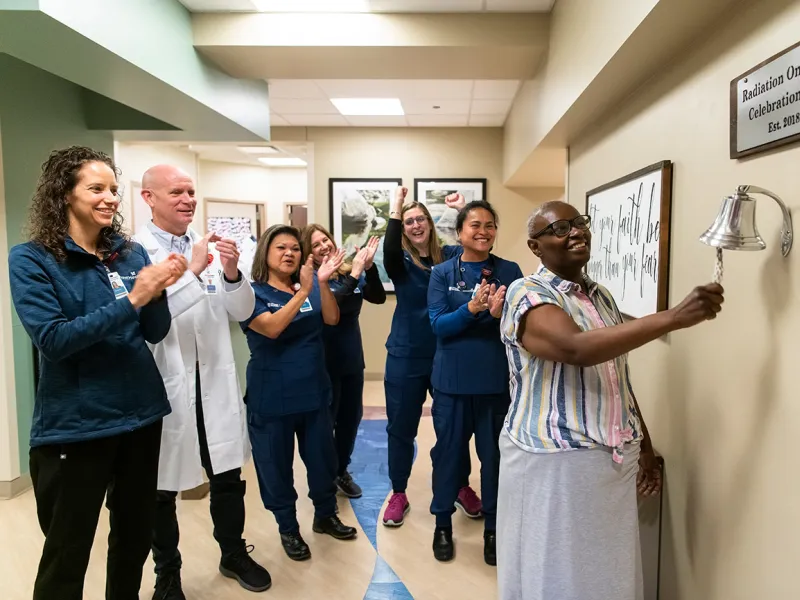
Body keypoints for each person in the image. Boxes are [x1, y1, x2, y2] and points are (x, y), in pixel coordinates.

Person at [497, 201, 724, 600]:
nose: (576, 232)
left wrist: (646, 448)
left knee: (605, 574)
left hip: (613, 457)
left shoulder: (598, 295)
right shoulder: (527, 292)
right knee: (557, 574)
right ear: (536, 247)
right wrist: (674, 317)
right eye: (560, 228)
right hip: (557, 458)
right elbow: (575, 349)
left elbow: (614, 375)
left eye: (580, 223)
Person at [7, 146, 187, 600]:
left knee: (132, 544)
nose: (109, 198)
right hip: (77, 428)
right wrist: (132, 299)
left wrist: (157, 292)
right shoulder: (32, 260)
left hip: (141, 418)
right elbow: (55, 340)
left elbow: (154, 331)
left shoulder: (129, 254)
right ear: (64, 195)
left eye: (113, 188)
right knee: (67, 555)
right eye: (96, 188)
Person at [133, 165, 270, 599]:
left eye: (192, 191)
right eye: (177, 191)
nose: (188, 199)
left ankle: (232, 554)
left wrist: (231, 273)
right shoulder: (133, 253)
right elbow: (149, 317)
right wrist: (192, 271)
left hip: (213, 379)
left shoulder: (207, 246)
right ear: (149, 197)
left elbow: (242, 310)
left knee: (227, 476)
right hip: (166, 383)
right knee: (162, 488)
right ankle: (167, 575)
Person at [241, 225, 359, 562]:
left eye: (294, 248)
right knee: (276, 467)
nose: (289, 253)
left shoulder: (306, 286)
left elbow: (332, 319)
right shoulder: (252, 293)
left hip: (314, 391)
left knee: (323, 461)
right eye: (281, 247)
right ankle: (288, 528)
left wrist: (320, 284)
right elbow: (273, 328)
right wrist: (304, 291)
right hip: (272, 396)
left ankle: (325, 515)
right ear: (265, 252)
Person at [427, 200, 523, 565]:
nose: (483, 231)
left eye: (490, 225)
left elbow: (521, 325)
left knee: (494, 459)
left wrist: (500, 315)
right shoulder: (442, 273)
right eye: (475, 225)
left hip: (495, 384)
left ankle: (494, 529)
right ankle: (442, 525)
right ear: (460, 232)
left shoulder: (510, 271)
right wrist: (471, 310)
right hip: (451, 385)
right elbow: (438, 326)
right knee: (448, 457)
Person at [381, 187, 482, 527]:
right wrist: (396, 206)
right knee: (400, 428)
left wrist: (463, 208)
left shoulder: (451, 256)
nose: (415, 225)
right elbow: (390, 247)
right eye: (408, 221)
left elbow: (475, 241)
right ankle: (398, 492)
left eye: (420, 218)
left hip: (446, 353)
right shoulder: (399, 262)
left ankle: (460, 485)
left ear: (430, 222)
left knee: (453, 427)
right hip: (406, 357)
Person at [301, 225, 386, 498]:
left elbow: (378, 296)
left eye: (325, 239)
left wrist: (369, 267)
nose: (324, 246)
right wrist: (356, 273)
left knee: (351, 419)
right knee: (327, 422)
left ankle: (340, 471)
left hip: (352, 358)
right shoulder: (311, 279)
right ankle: (324, 476)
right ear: (308, 252)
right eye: (316, 244)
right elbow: (332, 309)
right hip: (325, 361)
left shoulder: (345, 271)